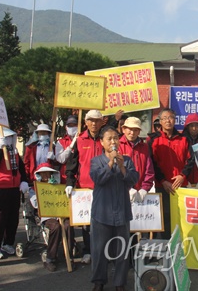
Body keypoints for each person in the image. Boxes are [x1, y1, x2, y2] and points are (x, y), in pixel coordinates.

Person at [90, 126, 139, 291]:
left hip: (122, 211)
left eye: (115, 138)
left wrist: (122, 167)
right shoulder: (96, 161)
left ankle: (120, 283)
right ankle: (99, 281)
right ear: (102, 142)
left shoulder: (126, 160)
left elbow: (133, 179)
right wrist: (110, 163)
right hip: (102, 213)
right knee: (99, 249)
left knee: (121, 249)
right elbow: (98, 178)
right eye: (109, 139)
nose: (113, 142)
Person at [65, 110, 105, 264]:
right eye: (91, 121)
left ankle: (102, 251)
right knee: (87, 223)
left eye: (97, 121)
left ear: (102, 122)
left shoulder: (105, 138)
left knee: (103, 222)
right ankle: (88, 250)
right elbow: (72, 165)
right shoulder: (79, 139)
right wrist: (70, 183)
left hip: (104, 187)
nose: (94, 124)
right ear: (86, 122)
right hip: (85, 188)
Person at [147, 108, 192, 239]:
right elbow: (151, 163)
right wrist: (163, 181)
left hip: (180, 186)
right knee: (163, 219)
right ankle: (164, 251)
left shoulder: (184, 138)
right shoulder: (153, 139)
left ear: (175, 120)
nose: (168, 120)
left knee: (181, 218)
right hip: (162, 186)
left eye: (171, 117)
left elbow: (191, 160)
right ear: (160, 121)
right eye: (165, 118)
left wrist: (182, 175)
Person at [0, 127, 29, 260]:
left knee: (12, 219)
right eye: (6, 137)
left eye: (11, 137)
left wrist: (23, 181)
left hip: (14, 189)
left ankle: (8, 242)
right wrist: (0, 148)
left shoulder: (14, 152)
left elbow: (21, 168)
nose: (8, 140)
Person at [30, 163, 74, 272]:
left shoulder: (58, 185)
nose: (45, 175)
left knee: (68, 225)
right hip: (46, 216)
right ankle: (50, 258)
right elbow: (35, 204)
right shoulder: (35, 188)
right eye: (42, 173)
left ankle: (69, 256)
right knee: (55, 227)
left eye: (47, 173)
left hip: (60, 213)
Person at [118, 117, 154, 203]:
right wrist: (127, 188)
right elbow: (116, 171)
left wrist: (145, 188)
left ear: (139, 131)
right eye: (130, 129)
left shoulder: (144, 146)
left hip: (140, 194)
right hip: (120, 193)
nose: (132, 133)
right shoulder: (118, 145)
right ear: (123, 129)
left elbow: (149, 170)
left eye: (135, 130)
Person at [54, 115, 79, 184]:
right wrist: (71, 147)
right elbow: (61, 159)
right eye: (69, 126)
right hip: (65, 178)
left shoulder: (83, 140)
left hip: (80, 178)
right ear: (66, 127)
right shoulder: (61, 142)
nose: (72, 127)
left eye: (74, 125)